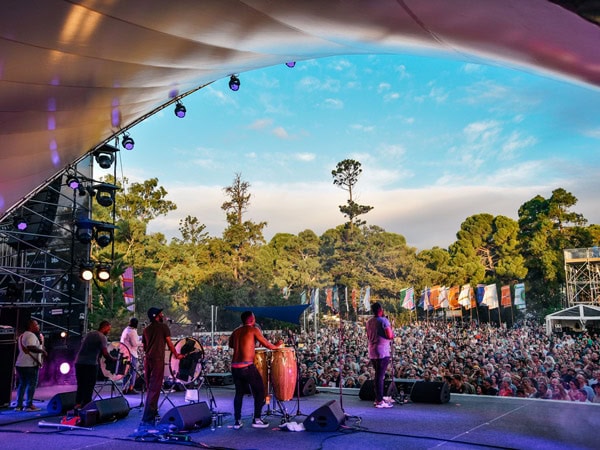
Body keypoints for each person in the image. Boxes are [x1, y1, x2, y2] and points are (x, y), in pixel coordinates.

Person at [228, 311, 283, 429]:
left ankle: (237, 421)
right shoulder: (253, 330)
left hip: (235, 367)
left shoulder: (236, 331)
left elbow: (231, 345)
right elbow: (268, 345)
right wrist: (277, 345)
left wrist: (247, 344)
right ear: (251, 319)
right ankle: (257, 419)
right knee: (260, 391)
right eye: (254, 317)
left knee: (239, 393)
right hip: (247, 366)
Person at [140, 307, 183, 427]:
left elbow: (144, 347)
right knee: (155, 388)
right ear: (156, 316)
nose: (163, 315)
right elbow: (169, 343)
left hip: (147, 360)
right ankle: (147, 419)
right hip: (157, 359)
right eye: (160, 314)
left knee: (150, 388)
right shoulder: (163, 327)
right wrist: (176, 355)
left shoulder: (146, 330)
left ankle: (152, 413)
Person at [74, 320, 115, 408]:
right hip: (90, 364)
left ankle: (77, 404)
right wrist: (113, 359)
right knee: (89, 385)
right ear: (104, 327)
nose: (109, 331)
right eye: (108, 329)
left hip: (79, 362)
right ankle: (86, 405)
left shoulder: (90, 334)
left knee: (81, 384)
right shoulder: (102, 337)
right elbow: (105, 353)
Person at [365, 302, 394, 408]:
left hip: (372, 350)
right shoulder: (384, 321)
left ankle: (379, 397)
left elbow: (368, 335)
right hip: (382, 351)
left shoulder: (369, 322)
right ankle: (379, 401)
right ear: (381, 309)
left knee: (378, 375)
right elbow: (390, 335)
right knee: (379, 376)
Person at [14, 319, 47, 412]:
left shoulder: (22, 335)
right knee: (31, 384)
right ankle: (29, 405)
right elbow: (30, 347)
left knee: (22, 384)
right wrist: (42, 351)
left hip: (20, 364)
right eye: (36, 324)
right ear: (30, 326)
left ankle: (19, 405)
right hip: (29, 364)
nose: (38, 326)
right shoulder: (31, 335)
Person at [120, 317, 141, 395]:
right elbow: (135, 344)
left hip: (125, 353)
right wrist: (143, 342)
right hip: (131, 354)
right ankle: (131, 388)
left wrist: (140, 338)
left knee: (126, 372)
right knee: (133, 372)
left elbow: (133, 339)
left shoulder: (126, 329)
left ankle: (124, 388)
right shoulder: (132, 331)